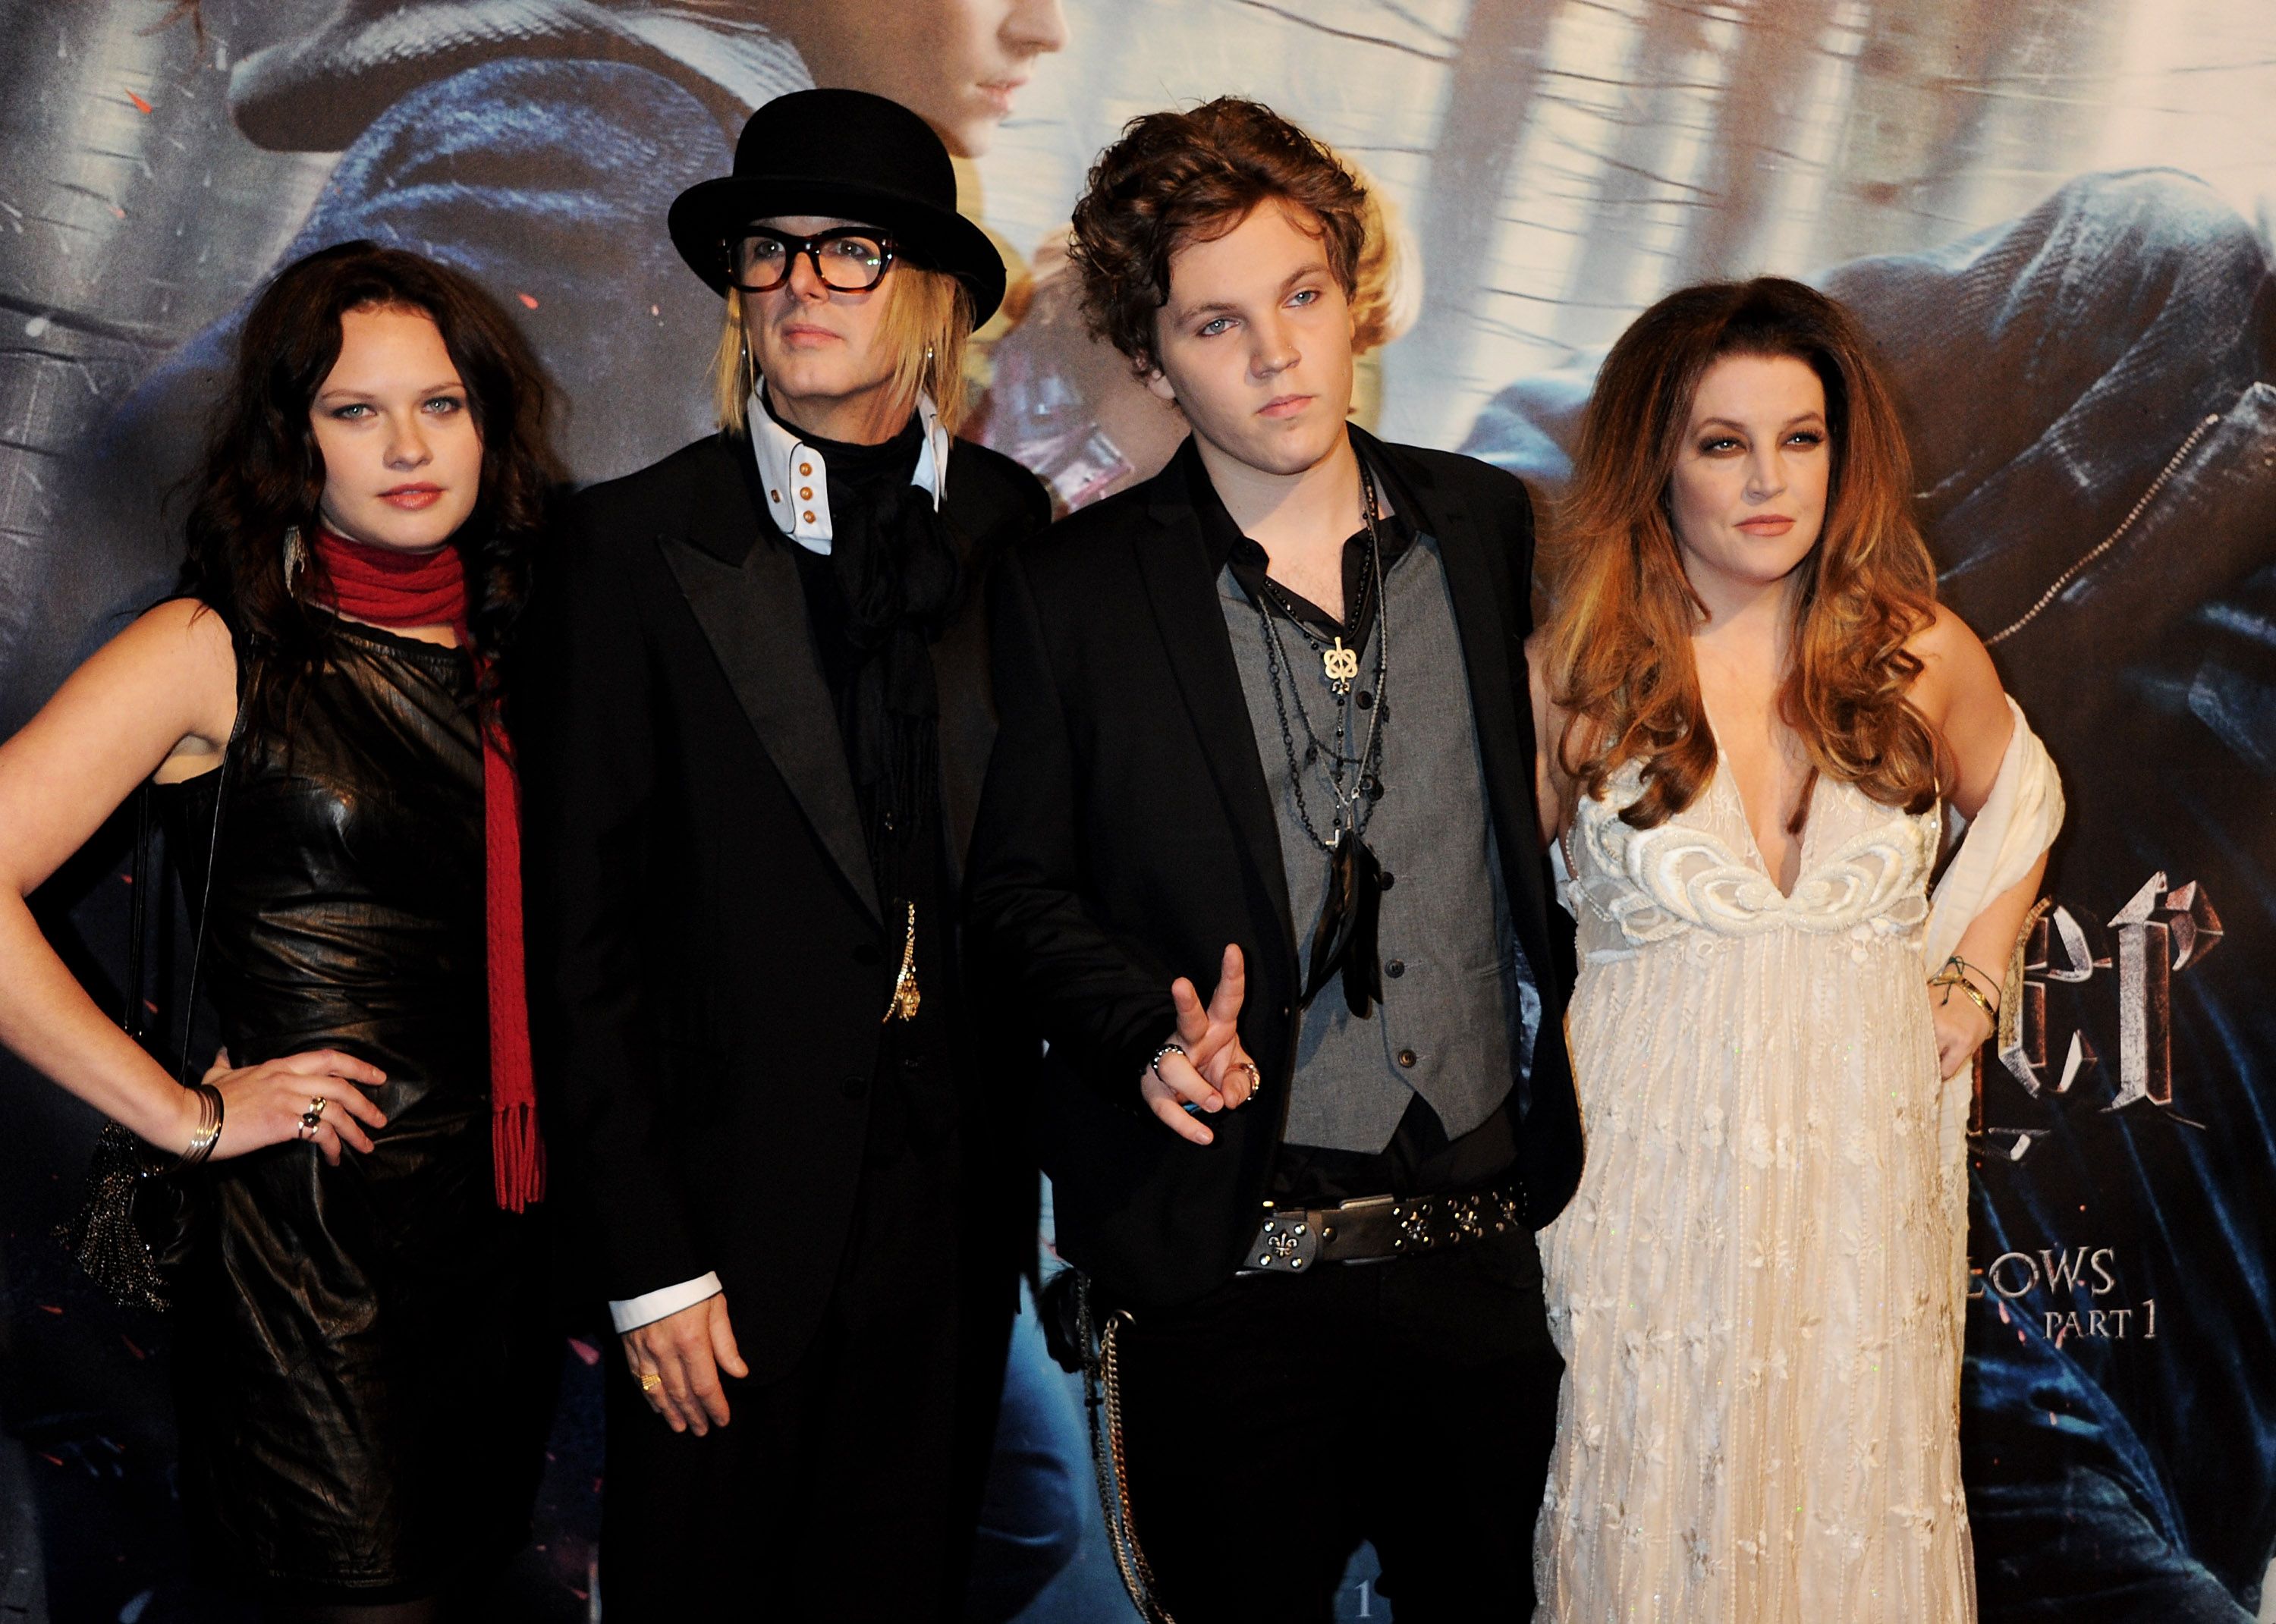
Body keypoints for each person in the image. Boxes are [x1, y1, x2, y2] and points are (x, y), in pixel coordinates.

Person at [967, 97, 1585, 1622]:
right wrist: (1136, 1039)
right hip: (1227, 1268)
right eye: (1216, 322)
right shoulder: (1069, 591)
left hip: (1482, 1258)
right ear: (1153, 353)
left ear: (1356, 291)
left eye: (1302, 296)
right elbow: (1016, 887)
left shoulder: (1488, 524)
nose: (1274, 354)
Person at [520, 89, 1052, 1620]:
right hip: (717, 1252)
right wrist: (651, 1264)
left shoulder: (1023, 538)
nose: (800, 286)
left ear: (933, 294)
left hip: (949, 1242)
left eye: (850, 252)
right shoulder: (626, 548)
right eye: (770, 252)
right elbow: (582, 941)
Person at [0, 240, 558, 1619]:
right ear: (290, 435)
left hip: (503, 1250)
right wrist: (186, 1114)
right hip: (310, 1270)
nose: (409, 446)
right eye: (354, 410)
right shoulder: (212, 644)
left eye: (441, 404)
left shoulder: (538, 648)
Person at [1526, 276, 2064, 1621]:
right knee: (1651, 1514)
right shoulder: (1575, 672)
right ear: (1656, 460)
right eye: (1723, 442)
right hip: (1643, 1187)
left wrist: (1975, 973)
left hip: (1860, 1181)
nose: (1769, 479)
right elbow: (1465, 909)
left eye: (1802, 437)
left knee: (1851, 1511)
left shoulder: (1919, 654)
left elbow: (2029, 796)